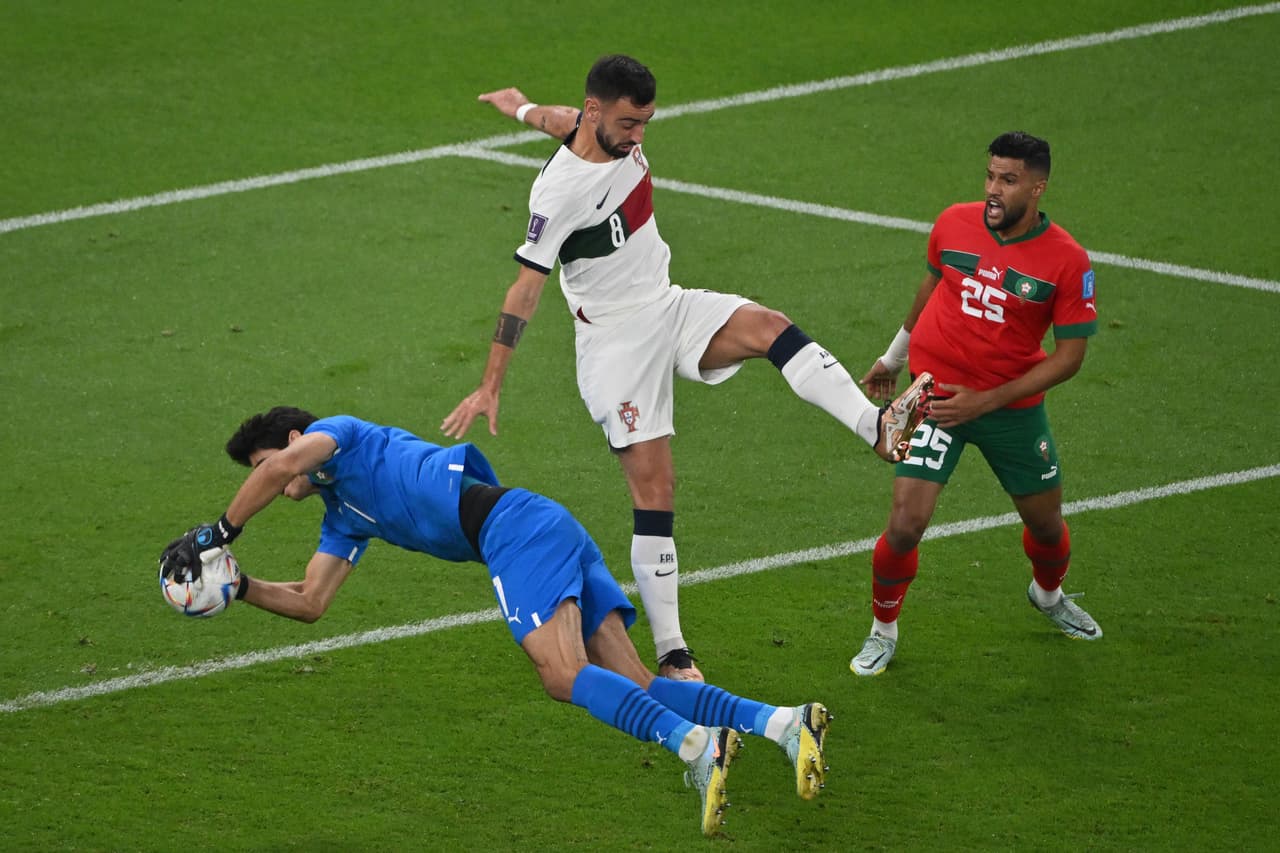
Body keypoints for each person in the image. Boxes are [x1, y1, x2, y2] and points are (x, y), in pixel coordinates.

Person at [441, 54, 929, 681]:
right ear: (598, 112)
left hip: (665, 304)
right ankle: (673, 655)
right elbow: (523, 292)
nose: (639, 136)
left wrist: (518, 106)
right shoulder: (558, 193)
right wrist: (490, 385)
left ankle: (876, 427)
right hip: (614, 345)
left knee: (770, 328)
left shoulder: (590, 124)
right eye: (629, 123)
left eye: (646, 122)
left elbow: (558, 117)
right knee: (656, 490)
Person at [158, 407, 833, 836]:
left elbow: (281, 467)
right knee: (634, 682)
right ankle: (784, 722)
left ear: (294, 438)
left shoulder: (342, 436)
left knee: (561, 674)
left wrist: (218, 532)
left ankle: (695, 747)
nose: (273, 481)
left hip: (515, 532)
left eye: (263, 467)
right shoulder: (344, 514)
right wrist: (239, 584)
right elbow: (310, 600)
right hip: (538, 524)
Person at [850, 131, 1103, 677]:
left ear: (1037, 187)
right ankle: (882, 630)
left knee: (1046, 526)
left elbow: (1070, 356)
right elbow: (933, 287)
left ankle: (1048, 595)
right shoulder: (954, 223)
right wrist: (893, 358)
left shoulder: (1067, 261)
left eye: (1008, 181)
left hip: (1009, 410)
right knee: (903, 524)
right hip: (937, 398)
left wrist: (985, 401)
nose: (993, 190)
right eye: (990, 176)